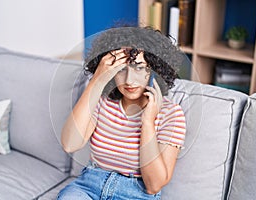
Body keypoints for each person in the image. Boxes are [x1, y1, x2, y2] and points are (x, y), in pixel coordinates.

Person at [58, 26, 186, 200]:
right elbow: (70, 144)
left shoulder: (171, 114)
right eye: (121, 70)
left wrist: (148, 122)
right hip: (89, 186)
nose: (129, 80)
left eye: (139, 68)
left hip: (136, 193)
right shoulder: (102, 101)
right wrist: (97, 80)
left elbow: (153, 185)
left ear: (155, 69)